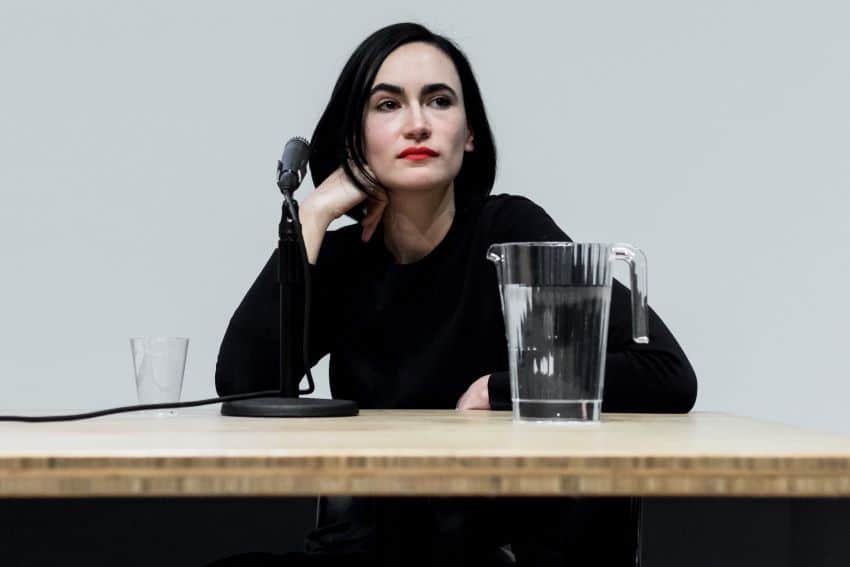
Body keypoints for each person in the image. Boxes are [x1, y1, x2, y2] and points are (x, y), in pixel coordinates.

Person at [214, 22, 697, 567]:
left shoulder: (508, 234)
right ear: (355, 138)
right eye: (388, 105)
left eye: (439, 101)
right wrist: (315, 213)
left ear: (469, 134)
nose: (417, 124)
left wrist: (499, 389)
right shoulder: (342, 260)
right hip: (366, 553)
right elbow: (241, 384)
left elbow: (666, 373)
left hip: (490, 553)